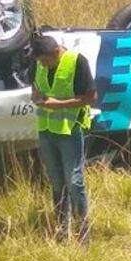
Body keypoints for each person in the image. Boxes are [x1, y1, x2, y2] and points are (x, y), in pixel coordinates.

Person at [30, 35, 97, 245]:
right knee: (57, 182)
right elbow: (36, 89)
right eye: (39, 61)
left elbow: (90, 97)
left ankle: (83, 232)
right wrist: (36, 97)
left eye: (44, 61)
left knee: (74, 182)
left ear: (56, 52)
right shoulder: (39, 63)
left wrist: (55, 104)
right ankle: (61, 229)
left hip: (70, 130)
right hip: (47, 130)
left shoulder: (76, 61)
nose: (41, 65)